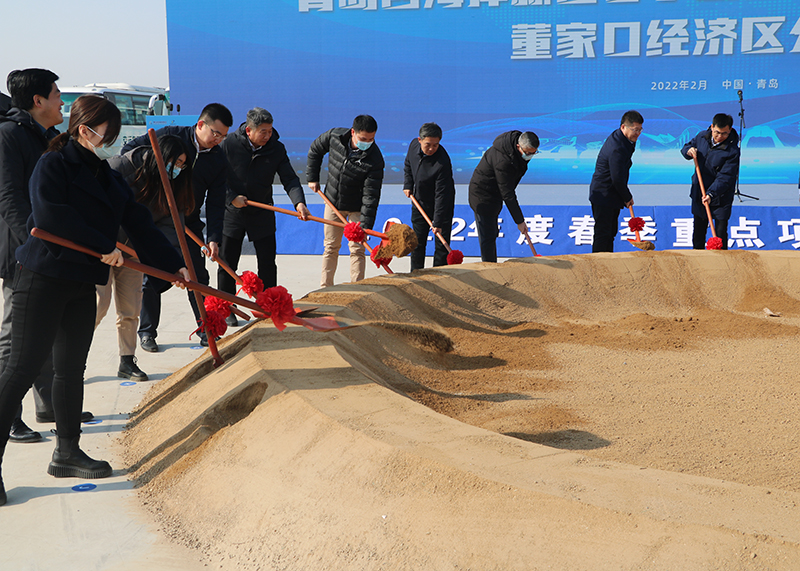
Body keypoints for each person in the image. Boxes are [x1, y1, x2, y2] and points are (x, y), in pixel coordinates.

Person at [0, 95, 189, 506]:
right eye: (108, 134)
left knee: (70, 369)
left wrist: (175, 266)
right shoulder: (52, 165)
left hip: (81, 282)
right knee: (20, 369)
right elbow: (51, 217)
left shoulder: (109, 176)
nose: (112, 142)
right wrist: (103, 245)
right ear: (84, 130)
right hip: (43, 278)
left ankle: (67, 452)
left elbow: (139, 222)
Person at [0, 69, 89, 445]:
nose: (61, 101)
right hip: (22, 252)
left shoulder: (49, 136)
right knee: (13, 337)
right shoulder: (9, 135)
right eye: (56, 94)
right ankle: (9, 416)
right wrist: (32, 245)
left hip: (48, 251)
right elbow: (9, 197)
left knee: (48, 330)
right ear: (38, 101)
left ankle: (49, 405)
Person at [122, 103, 232, 351]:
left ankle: (206, 329)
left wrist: (213, 238)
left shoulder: (218, 159)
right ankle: (147, 332)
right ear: (201, 124)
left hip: (188, 221)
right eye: (216, 133)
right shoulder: (171, 136)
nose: (218, 140)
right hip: (155, 217)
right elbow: (130, 152)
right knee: (153, 276)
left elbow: (216, 202)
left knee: (198, 276)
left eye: (223, 136)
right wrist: (152, 180)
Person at [98, 135, 194, 379]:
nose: (178, 169)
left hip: (134, 252)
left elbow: (168, 228)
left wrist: (174, 265)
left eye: (183, 165)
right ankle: (70, 361)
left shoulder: (173, 186)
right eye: (176, 162)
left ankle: (126, 361)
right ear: (161, 156)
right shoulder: (120, 167)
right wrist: (104, 244)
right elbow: (94, 207)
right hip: (102, 249)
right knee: (97, 306)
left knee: (130, 308)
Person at [220, 108, 309, 325]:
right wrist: (231, 197)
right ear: (249, 130)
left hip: (262, 211)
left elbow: (290, 178)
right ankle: (226, 307)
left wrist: (299, 203)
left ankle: (269, 306)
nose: (268, 135)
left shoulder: (276, 148)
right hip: (233, 211)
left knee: (267, 263)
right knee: (227, 263)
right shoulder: (229, 144)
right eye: (263, 131)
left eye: (270, 130)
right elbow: (215, 176)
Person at [307, 115, 384, 287]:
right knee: (331, 246)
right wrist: (312, 178)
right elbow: (315, 150)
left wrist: (365, 226)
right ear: (353, 132)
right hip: (333, 202)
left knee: (357, 248)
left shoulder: (375, 159)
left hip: (357, 208)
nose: (367, 143)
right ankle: (325, 287)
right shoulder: (335, 136)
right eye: (363, 139)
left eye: (371, 139)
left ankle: (357, 288)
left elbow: (371, 196)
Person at [468, 130, 539, 262]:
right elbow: (508, 193)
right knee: (488, 235)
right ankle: (489, 267)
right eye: (528, 153)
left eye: (534, 153)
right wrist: (519, 221)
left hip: (496, 194)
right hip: (482, 195)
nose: (530, 156)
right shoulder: (503, 161)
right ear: (518, 146)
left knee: (492, 231)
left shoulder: (517, 152)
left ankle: (491, 263)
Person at [680, 113, 740, 250]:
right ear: (712, 127)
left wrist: (711, 194)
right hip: (700, 190)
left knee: (720, 232)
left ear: (730, 130)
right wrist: (688, 151)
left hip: (721, 194)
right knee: (698, 231)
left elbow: (726, 177)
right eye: (717, 132)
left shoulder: (733, 150)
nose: (719, 136)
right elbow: (686, 147)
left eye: (724, 133)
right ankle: (698, 257)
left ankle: (722, 259)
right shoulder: (702, 137)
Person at [402, 122, 456, 270]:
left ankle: (438, 276)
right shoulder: (413, 146)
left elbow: (441, 195)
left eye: (435, 145)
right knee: (417, 242)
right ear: (420, 140)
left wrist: (437, 222)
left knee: (441, 245)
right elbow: (408, 165)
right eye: (428, 144)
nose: (432, 148)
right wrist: (408, 185)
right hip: (419, 201)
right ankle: (416, 274)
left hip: (442, 205)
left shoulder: (442, 162)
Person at [589, 110, 644, 253]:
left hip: (612, 194)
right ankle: (599, 263)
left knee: (611, 232)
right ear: (623, 127)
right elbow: (617, 177)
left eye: (640, 130)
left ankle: (608, 261)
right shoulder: (617, 147)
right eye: (635, 130)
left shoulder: (624, 139)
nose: (638, 133)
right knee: (603, 233)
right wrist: (627, 197)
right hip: (604, 194)